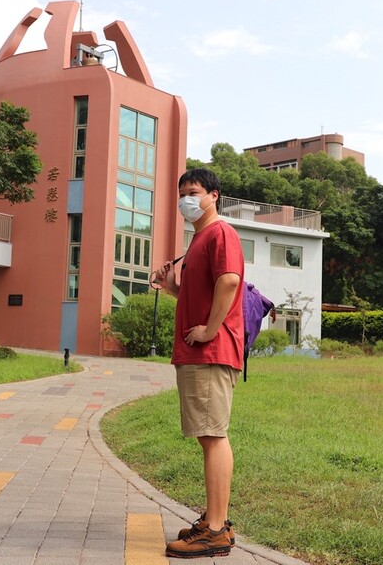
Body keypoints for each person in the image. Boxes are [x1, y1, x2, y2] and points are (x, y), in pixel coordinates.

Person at [152, 168, 244, 559]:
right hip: (199, 352)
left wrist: (208, 330)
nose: (186, 200)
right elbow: (202, 294)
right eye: (182, 194)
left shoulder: (220, 232)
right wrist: (174, 288)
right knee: (209, 435)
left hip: (210, 352)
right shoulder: (199, 240)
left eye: (194, 192)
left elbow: (230, 281)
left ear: (213, 196)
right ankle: (213, 522)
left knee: (212, 436)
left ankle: (216, 531)